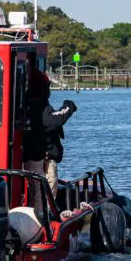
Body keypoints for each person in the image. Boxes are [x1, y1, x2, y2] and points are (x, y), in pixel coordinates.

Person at [22, 70, 77, 199]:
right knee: (45, 196)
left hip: (31, 159)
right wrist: (69, 106)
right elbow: (54, 120)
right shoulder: (39, 107)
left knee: (35, 193)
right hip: (42, 161)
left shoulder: (25, 106)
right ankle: (45, 216)